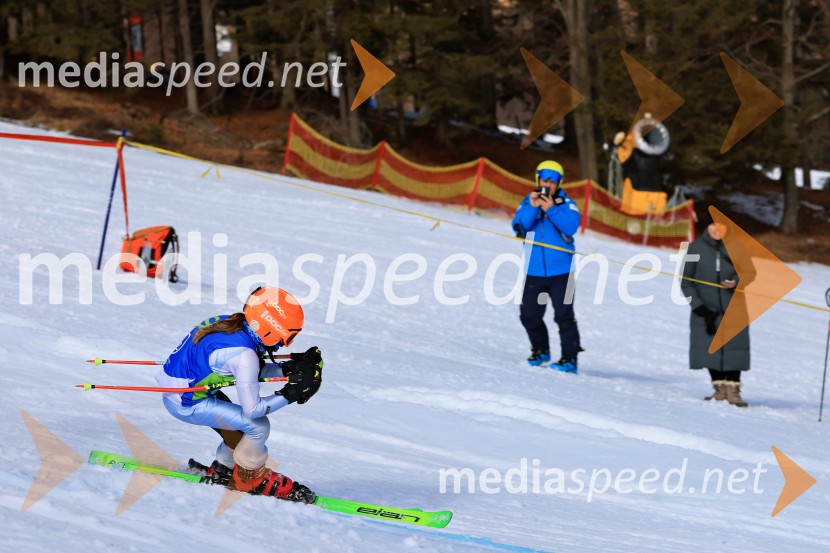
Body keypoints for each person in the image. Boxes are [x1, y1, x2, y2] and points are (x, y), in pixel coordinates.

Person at [155, 286, 323, 501]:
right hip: (186, 403)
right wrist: (292, 393)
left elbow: (241, 369)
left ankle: (224, 468)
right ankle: (249, 478)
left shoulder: (230, 322)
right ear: (269, 329)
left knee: (241, 428)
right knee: (258, 426)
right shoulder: (245, 355)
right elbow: (254, 409)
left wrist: (286, 370)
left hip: (182, 390)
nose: (283, 344)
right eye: (285, 337)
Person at [512, 160, 582, 373]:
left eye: (553, 181)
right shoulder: (529, 201)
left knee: (564, 316)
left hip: (562, 273)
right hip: (534, 272)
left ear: (559, 182)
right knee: (529, 315)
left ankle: (569, 360)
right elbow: (519, 226)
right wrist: (534, 207)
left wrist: (551, 209)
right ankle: (541, 350)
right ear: (538, 179)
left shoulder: (566, 203)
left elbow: (571, 227)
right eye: (545, 179)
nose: (548, 184)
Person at [680, 222, 750, 407]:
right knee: (708, 347)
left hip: (734, 307)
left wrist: (735, 282)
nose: (717, 229)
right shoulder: (695, 248)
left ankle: (733, 391)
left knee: (735, 348)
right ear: (707, 227)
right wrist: (699, 307)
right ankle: (719, 389)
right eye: (713, 225)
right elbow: (686, 282)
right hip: (705, 310)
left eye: (721, 225)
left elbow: (748, 272)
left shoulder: (737, 247)